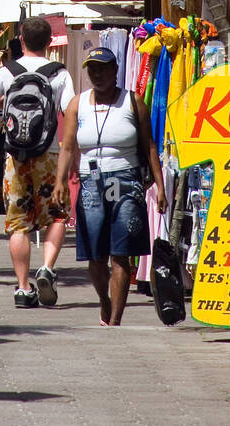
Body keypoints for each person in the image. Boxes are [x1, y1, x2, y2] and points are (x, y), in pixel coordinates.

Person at [53, 47, 166, 327]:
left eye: (103, 68)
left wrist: (160, 186)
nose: (97, 74)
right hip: (91, 182)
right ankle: (104, 300)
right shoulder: (77, 104)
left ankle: (115, 318)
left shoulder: (133, 101)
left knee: (121, 251)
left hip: (126, 181)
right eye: (92, 69)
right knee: (95, 254)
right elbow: (67, 147)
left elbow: (149, 146)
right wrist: (59, 182)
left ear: (116, 71)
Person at [0, 15, 75, 309]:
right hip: (50, 154)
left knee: (18, 223)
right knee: (56, 215)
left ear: (20, 38)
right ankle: (46, 268)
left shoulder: (7, 72)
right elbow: (70, 110)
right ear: (49, 42)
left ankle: (22, 287)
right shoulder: (60, 73)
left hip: (15, 158)